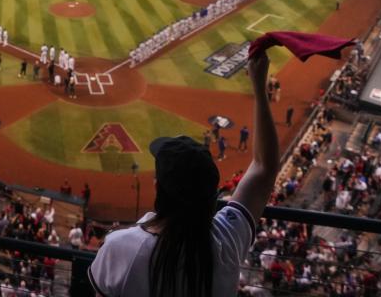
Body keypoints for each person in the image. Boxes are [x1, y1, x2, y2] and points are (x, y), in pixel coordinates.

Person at [89, 51, 279, 296]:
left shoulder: (121, 247)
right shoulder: (227, 240)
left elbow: (265, 169)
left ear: (158, 189)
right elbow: (265, 169)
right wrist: (260, 90)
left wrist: (257, 86)